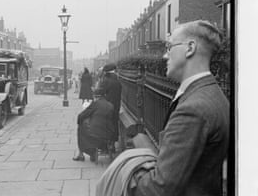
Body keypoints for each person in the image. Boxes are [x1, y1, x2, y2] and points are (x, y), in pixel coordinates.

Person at [129, 20, 229, 196]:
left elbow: (159, 188)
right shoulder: (214, 93)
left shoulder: (193, 109)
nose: (165, 56)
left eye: (169, 47)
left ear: (190, 48)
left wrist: (129, 172)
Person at [73, 88, 115, 162]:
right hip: (109, 134)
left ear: (96, 96)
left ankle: (82, 154)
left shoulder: (96, 104)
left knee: (81, 128)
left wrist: (80, 121)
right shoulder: (110, 105)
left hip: (97, 135)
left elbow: (81, 115)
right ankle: (92, 153)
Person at [99, 63, 122, 142]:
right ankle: (112, 144)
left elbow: (100, 91)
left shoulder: (106, 81)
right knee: (114, 123)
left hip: (107, 106)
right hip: (116, 105)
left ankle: (106, 145)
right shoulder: (117, 81)